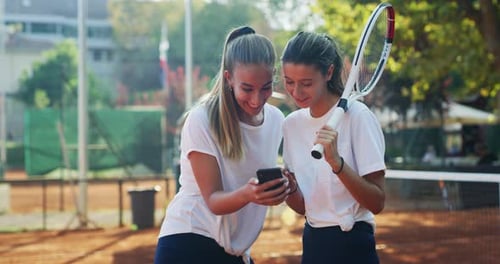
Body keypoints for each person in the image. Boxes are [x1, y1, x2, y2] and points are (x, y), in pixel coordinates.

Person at [154, 26, 289, 264]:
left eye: (266, 87)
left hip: (234, 249)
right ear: (229, 78)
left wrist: (282, 188)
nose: (257, 99)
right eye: (247, 88)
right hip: (189, 240)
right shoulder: (201, 119)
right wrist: (249, 194)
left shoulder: (277, 119)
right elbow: (214, 201)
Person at [280, 31, 386, 263]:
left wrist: (337, 163)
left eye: (306, 83)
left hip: (354, 245)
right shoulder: (290, 125)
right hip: (313, 244)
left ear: (328, 72)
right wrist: (287, 189)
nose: (296, 92)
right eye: (289, 82)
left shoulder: (358, 116)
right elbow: (304, 207)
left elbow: (377, 202)